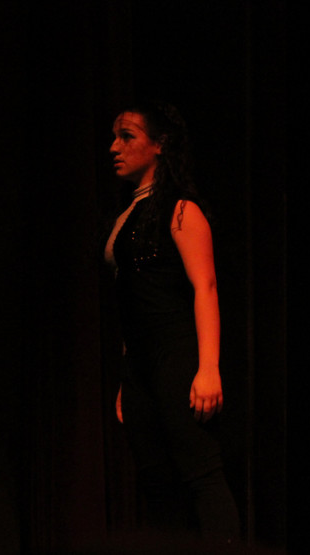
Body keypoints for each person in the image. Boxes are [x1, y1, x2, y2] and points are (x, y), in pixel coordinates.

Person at [104, 102, 239, 542]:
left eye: (127, 136)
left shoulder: (181, 210)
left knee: (201, 474)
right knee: (157, 482)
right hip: (140, 365)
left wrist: (208, 367)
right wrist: (127, 377)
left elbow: (206, 288)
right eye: (114, 137)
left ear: (159, 145)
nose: (114, 147)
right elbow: (130, 304)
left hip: (178, 356)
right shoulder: (126, 217)